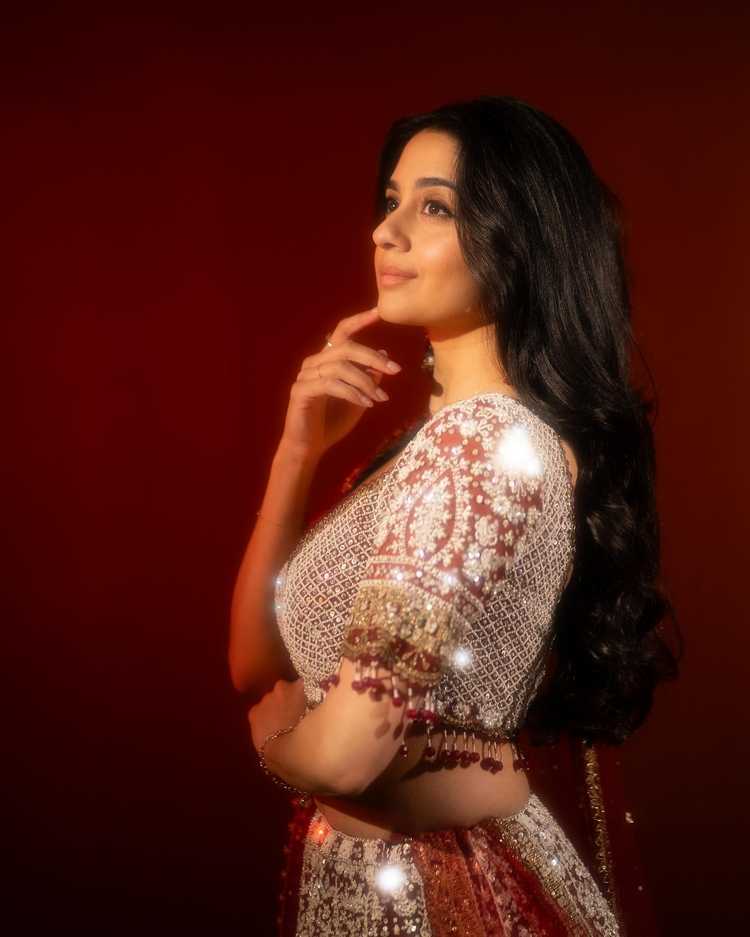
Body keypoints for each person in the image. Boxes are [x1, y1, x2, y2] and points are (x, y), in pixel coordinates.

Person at [229, 95, 682, 936]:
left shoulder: (483, 446)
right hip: (382, 881)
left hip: (443, 896)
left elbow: (343, 752)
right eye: (391, 200)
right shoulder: (430, 448)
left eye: (434, 207)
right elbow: (258, 660)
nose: (385, 232)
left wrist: (274, 745)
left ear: (520, 241)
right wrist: (298, 454)